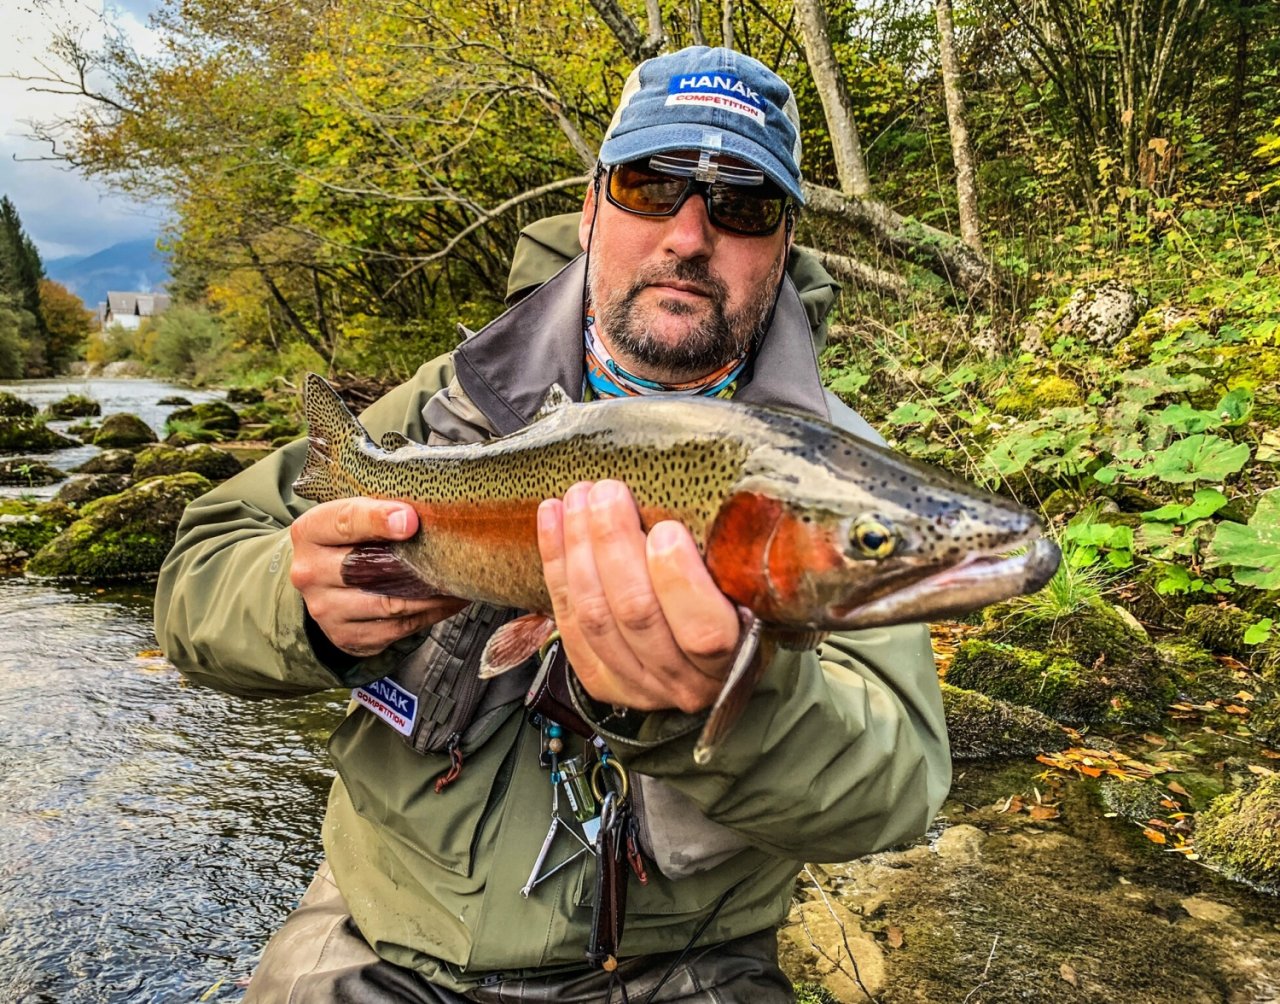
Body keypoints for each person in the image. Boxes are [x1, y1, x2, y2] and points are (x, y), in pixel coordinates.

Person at [155, 44, 950, 1003]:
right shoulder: (452, 406)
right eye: (650, 186)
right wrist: (300, 605)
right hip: (381, 934)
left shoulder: (838, 482)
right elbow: (195, 580)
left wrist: (732, 707)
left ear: (782, 249)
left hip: (681, 969)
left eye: (742, 205)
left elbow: (898, 787)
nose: (689, 235)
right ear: (590, 212)